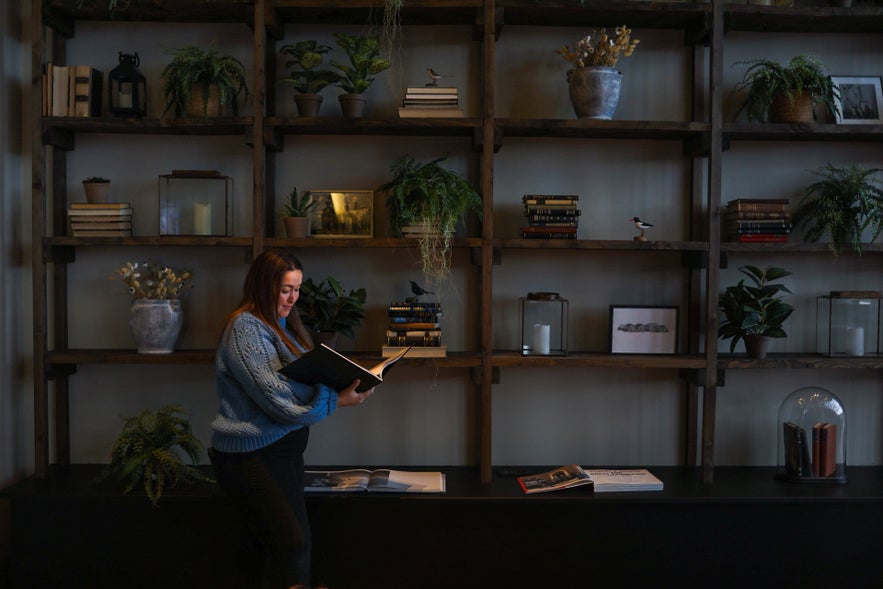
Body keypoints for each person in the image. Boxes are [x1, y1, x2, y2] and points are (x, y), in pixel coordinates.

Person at [209, 249, 373, 589]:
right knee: (291, 543)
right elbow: (277, 399)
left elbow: (300, 382)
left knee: (284, 546)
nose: (292, 298)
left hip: (282, 456)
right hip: (252, 458)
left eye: (297, 289)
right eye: (286, 289)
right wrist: (336, 399)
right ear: (263, 286)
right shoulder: (245, 330)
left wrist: (345, 381)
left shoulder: (284, 326)